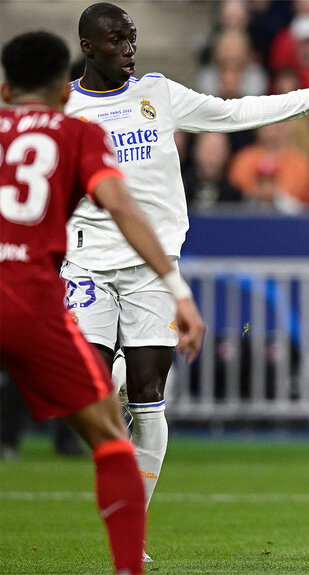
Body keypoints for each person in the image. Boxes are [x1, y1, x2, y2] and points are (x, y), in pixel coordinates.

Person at [62, 2, 309, 562]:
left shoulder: (158, 94)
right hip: (88, 261)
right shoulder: (66, 109)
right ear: (89, 46)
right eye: (116, 40)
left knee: (149, 399)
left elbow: (232, 112)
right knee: (86, 390)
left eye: (133, 38)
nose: (129, 48)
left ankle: (133, 532)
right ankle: (112, 374)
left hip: (153, 265)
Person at [0, 30, 205, 574]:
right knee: (112, 437)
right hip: (34, 298)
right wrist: (178, 289)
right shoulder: (76, 133)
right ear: (61, 89)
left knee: (131, 395)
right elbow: (124, 210)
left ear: (4, 87)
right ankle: (126, 566)